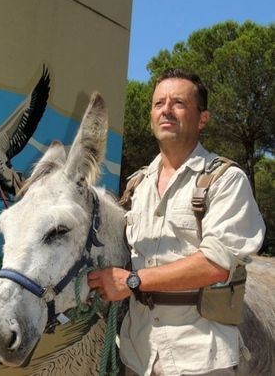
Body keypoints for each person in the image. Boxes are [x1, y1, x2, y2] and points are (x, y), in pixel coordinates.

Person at [87, 68, 265, 376]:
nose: (166, 110)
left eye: (178, 103)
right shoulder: (136, 186)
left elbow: (216, 264)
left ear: (202, 119)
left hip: (200, 357)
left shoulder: (226, 180)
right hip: (138, 355)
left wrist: (131, 281)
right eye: (159, 103)